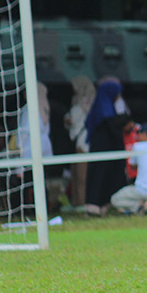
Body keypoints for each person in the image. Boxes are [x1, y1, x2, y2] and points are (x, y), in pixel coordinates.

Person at [84, 79, 130, 216]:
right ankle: (95, 206)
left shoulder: (103, 108)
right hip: (104, 151)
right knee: (100, 176)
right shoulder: (106, 112)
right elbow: (114, 129)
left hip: (105, 150)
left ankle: (105, 204)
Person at [64, 76, 95, 208]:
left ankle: (82, 203)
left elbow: (71, 120)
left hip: (83, 144)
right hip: (78, 143)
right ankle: (76, 202)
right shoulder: (80, 101)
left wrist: (67, 119)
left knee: (81, 176)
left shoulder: (84, 103)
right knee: (75, 175)